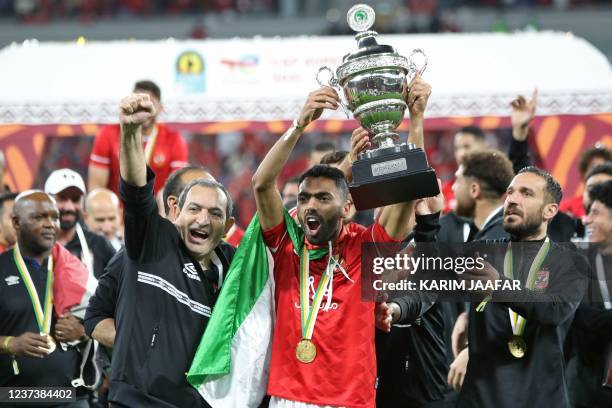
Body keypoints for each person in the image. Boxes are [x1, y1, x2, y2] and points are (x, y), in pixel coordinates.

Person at [252, 74, 429, 406]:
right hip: (290, 397)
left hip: (350, 399)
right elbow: (262, 183)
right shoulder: (286, 247)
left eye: (322, 198)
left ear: (348, 207)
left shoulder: (366, 249)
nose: (309, 206)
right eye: (303, 199)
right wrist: (300, 123)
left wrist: (415, 118)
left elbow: (409, 189)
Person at [105, 92, 235, 407]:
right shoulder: (153, 240)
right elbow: (136, 192)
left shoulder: (233, 266)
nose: (203, 219)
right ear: (176, 212)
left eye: (214, 213)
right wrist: (131, 132)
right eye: (194, 209)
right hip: (135, 400)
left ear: (227, 225)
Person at [456, 167, 588, 408]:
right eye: (510, 192)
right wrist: (427, 221)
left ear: (550, 210)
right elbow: (428, 279)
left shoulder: (571, 261)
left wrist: (498, 286)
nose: (513, 199)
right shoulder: (480, 252)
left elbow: (554, 310)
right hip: (483, 398)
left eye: (526, 193)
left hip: (541, 398)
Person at [84, 165, 218, 349]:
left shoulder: (224, 262)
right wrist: (141, 349)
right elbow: (95, 317)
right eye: (199, 198)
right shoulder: (135, 253)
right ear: (175, 205)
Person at [0, 191, 88, 407]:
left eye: (54, 217)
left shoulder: (75, 269)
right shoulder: (1, 268)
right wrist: (11, 343)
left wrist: (83, 333)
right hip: (14, 398)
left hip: (70, 397)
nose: (50, 224)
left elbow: (103, 324)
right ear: (16, 222)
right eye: (39, 217)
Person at [88, 80, 189, 195]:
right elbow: (96, 187)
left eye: (148, 105)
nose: (142, 112)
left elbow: (175, 189)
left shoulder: (174, 140)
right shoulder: (107, 134)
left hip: (156, 210)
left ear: (160, 108)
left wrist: (152, 211)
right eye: (138, 105)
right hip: (117, 211)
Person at [567, 180, 612, 407]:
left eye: (595, 213)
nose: (587, 219)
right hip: (584, 390)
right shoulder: (576, 259)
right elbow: (576, 314)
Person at [45, 168, 116, 279]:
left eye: (75, 199)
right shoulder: (35, 245)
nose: (69, 207)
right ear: (46, 201)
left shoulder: (99, 245)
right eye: (62, 198)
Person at [452, 149, 515, 241]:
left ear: (474, 190)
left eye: (457, 180)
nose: (453, 187)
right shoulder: (505, 229)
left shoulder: (492, 242)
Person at [560, 144, 612, 218]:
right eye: (594, 168)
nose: (598, 173)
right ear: (583, 176)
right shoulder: (567, 207)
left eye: (604, 168)